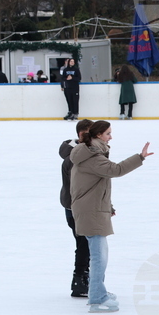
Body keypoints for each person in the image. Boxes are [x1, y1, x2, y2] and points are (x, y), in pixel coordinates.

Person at [70, 120, 153, 313]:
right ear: (98, 135)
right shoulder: (92, 156)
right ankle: (97, 298)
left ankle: (97, 291)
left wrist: (109, 206)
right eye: (108, 133)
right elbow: (116, 170)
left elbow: (96, 185)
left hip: (93, 208)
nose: (111, 137)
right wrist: (140, 157)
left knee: (100, 255)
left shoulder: (88, 152)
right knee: (99, 257)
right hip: (91, 210)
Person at [60, 118, 93, 299]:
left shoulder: (77, 153)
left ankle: (83, 279)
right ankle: (79, 281)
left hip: (74, 206)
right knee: (83, 244)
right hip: (76, 207)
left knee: (84, 244)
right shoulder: (75, 157)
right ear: (81, 135)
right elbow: (80, 186)